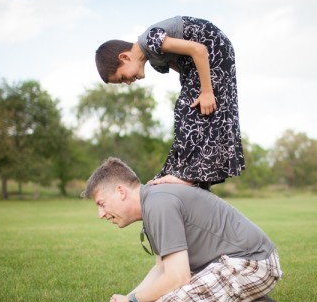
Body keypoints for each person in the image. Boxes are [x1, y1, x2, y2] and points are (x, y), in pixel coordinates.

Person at [83, 157, 312, 302]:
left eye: (102, 204)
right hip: (233, 263)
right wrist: (130, 299)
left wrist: (131, 301)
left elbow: (177, 277)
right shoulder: (153, 200)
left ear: (121, 191)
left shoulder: (158, 204)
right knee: (150, 300)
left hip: (252, 264)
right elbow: (163, 268)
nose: (101, 214)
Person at [95, 16, 245, 190]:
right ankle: (193, 174)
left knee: (186, 107)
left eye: (122, 78)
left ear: (125, 57)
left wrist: (206, 92)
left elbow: (199, 50)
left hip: (213, 47)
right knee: (191, 109)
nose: (128, 83)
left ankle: (188, 174)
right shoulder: (156, 61)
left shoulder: (150, 40)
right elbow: (186, 73)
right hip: (201, 61)